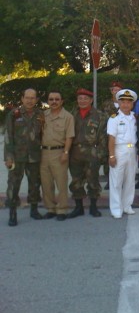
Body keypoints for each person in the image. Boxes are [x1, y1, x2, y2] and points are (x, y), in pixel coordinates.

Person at [4, 88, 45, 226]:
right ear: (22, 99)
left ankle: (34, 210)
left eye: (32, 98)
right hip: (17, 156)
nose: (29, 100)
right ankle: (12, 213)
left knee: (34, 184)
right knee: (13, 185)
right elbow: (8, 137)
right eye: (27, 97)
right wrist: (8, 157)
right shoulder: (14, 114)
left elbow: (43, 135)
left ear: (36, 100)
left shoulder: (40, 115)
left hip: (34, 156)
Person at [67, 88, 108, 219]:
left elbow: (103, 137)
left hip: (92, 153)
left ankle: (93, 206)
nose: (82, 101)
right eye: (80, 98)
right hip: (75, 153)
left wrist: (101, 155)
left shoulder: (100, 116)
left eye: (85, 98)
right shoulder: (71, 115)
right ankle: (78, 207)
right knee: (76, 181)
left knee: (93, 181)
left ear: (91, 100)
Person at [40, 91, 75, 221]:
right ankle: (50, 208)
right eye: (51, 99)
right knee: (46, 183)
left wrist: (66, 152)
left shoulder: (67, 117)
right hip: (43, 153)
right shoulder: (43, 116)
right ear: (48, 101)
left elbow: (69, 136)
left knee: (61, 183)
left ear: (62, 101)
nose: (54, 101)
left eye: (57, 99)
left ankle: (62, 209)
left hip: (59, 152)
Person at [107, 89, 138, 219]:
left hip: (132, 151)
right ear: (119, 102)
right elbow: (111, 138)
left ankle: (127, 205)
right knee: (116, 181)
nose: (125, 105)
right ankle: (116, 208)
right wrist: (111, 155)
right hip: (119, 150)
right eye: (123, 102)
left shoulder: (134, 117)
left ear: (132, 104)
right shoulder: (114, 118)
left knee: (130, 180)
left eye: (128, 102)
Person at [101, 81, 123, 190]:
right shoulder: (106, 104)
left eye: (118, 90)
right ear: (111, 91)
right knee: (109, 157)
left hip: (122, 135)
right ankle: (110, 180)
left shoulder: (125, 103)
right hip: (108, 134)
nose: (116, 92)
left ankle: (121, 181)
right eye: (114, 90)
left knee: (121, 157)